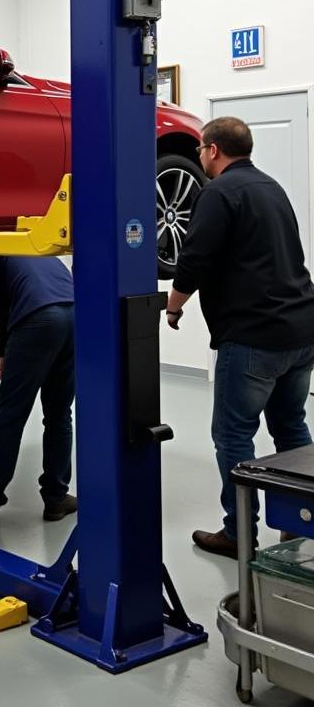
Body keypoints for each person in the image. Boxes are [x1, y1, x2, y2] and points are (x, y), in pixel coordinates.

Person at [166, 116, 314, 559]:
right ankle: (300, 521)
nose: (199, 159)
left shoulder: (217, 193)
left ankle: (238, 534)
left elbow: (194, 257)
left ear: (212, 150)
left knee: (233, 436)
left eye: (200, 152)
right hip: (301, 330)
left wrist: (173, 305)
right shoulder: (272, 188)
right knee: (291, 427)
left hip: (252, 336)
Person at [0, 256, 77, 528]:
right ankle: (56, 499)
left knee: (10, 416)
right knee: (59, 414)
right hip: (74, 315)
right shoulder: (42, 248)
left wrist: (1, 352)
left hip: (38, 319)